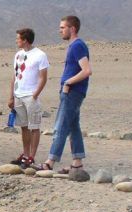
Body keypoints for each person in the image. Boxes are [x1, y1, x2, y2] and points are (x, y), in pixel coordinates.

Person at [35, 16, 92, 173]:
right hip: (73, 92)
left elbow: (87, 70)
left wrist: (68, 83)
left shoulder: (77, 46)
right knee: (74, 127)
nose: (60, 30)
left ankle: (50, 162)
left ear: (72, 29)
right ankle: (77, 163)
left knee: (60, 126)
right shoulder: (74, 46)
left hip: (72, 92)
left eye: (63, 27)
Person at [8, 28, 49, 168]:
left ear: (25, 39)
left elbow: (44, 78)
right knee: (24, 127)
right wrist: (11, 96)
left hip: (30, 96)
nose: (16, 41)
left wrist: (35, 95)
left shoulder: (40, 55)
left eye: (18, 38)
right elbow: (14, 76)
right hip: (18, 95)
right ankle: (25, 155)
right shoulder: (18, 55)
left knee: (34, 127)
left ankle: (32, 156)